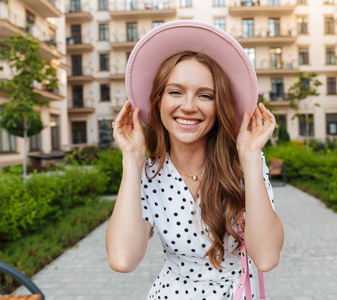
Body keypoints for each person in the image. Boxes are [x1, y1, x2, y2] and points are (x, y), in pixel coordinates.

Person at [105, 20, 284, 300]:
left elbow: (267, 257)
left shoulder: (245, 164)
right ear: (159, 100)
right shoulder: (148, 174)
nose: (188, 106)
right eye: (176, 91)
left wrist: (250, 160)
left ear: (218, 105)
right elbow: (122, 260)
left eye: (205, 95)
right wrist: (132, 159)